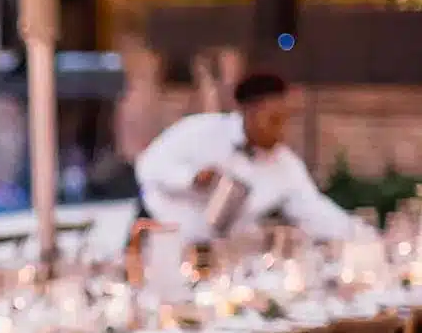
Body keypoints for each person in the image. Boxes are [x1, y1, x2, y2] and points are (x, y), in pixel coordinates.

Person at [133, 71, 362, 245]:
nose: (282, 130)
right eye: (274, 120)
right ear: (248, 112)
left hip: (222, 258)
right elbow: (148, 166)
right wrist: (191, 179)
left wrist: (364, 237)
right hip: (159, 241)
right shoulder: (200, 130)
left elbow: (315, 210)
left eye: (286, 120)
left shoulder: (284, 164)